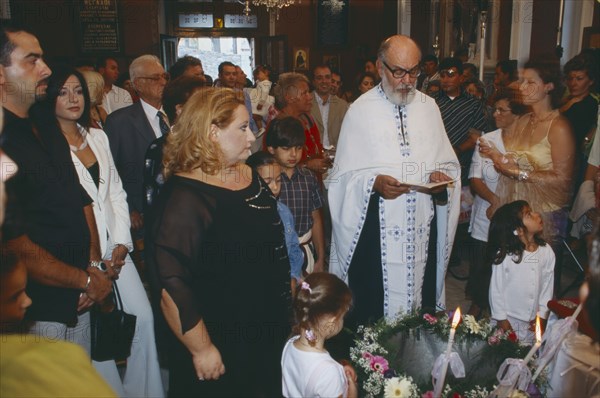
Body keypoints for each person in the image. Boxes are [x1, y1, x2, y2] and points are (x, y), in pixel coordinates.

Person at [146, 87, 290, 397]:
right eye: (242, 127)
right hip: (224, 333)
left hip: (265, 323)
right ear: (213, 132)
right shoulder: (185, 198)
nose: (252, 136)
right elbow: (171, 284)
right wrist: (202, 349)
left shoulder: (245, 172)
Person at [48, 65, 164, 397]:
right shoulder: (46, 144)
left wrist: (123, 243)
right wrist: (94, 260)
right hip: (80, 254)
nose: (73, 98)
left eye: (78, 91)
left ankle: (146, 390)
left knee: (142, 319)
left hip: (115, 247)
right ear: (49, 97)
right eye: (63, 92)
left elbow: (115, 191)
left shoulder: (97, 135)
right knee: (96, 331)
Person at [328, 35, 460, 325]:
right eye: (398, 71)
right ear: (379, 66)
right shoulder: (360, 111)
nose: (407, 80)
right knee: (374, 308)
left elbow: (448, 162)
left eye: (414, 71)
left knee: (419, 301)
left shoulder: (429, 108)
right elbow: (340, 179)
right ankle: (373, 364)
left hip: (421, 226)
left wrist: (442, 177)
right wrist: (373, 183)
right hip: (376, 227)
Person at [1, 24, 112, 348]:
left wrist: (92, 266)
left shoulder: (45, 122)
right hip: (35, 306)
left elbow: (78, 197)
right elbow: (14, 245)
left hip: (78, 294)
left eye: (43, 58)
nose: (46, 69)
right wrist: (86, 280)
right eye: (32, 60)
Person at [480, 57, 575, 294]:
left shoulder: (559, 127)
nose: (522, 87)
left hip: (543, 215)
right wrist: (496, 157)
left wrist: (518, 172)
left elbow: (562, 180)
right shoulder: (523, 120)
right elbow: (518, 161)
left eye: (530, 82)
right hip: (516, 208)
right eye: (522, 81)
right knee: (511, 277)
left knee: (536, 283)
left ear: (549, 86)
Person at [466, 89, 527, 317]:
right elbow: (474, 178)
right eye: (495, 109)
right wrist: (494, 200)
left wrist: (506, 205)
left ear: (518, 114)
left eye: (502, 110)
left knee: (508, 271)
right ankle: (477, 306)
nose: (496, 114)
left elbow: (525, 178)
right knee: (481, 268)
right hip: (487, 214)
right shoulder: (487, 139)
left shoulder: (528, 144)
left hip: (515, 218)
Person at [104, 54, 170, 235]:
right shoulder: (119, 122)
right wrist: (128, 209)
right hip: (143, 213)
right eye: (155, 78)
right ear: (137, 84)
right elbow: (110, 170)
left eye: (165, 76)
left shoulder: (178, 114)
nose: (163, 82)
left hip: (178, 209)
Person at [487, 200, 555, 344]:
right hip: (508, 320)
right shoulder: (506, 255)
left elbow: (547, 287)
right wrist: (501, 319)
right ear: (519, 229)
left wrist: (542, 316)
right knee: (503, 357)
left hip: (532, 323)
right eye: (529, 214)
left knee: (526, 359)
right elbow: (496, 289)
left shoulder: (546, 251)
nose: (537, 215)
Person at [281, 272, 358, 398]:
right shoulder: (329, 373)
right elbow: (323, 374)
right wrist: (352, 389)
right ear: (332, 322)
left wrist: (340, 367)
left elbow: (309, 369)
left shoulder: (290, 344)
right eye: (343, 316)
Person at [266, 116, 326, 274]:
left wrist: (320, 258)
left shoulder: (308, 177)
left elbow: (316, 218)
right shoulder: (265, 181)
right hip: (276, 253)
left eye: (298, 148)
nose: (293, 154)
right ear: (271, 149)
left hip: (306, 248)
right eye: (286, 149)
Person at [143, 75, 206, 215]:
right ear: (180, 109)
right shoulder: (160, 149)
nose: (208, 109)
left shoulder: (211, 144)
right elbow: (153, 202)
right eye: (201, 103)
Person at [246, 151, 304, 293]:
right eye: (267, 182)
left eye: (278, 180)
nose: (275, 187)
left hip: (285, 284)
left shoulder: (284, 212)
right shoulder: (245, 217)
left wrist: (293, 277)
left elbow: (294, 250)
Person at [270, 72, 331, 176]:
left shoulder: (308, 118)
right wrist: (307, 165)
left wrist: (325, 156)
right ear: (289, 98)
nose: (310, 97)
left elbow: (317, 147)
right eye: (305, 93)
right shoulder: (277, 126)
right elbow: (271, 166)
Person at [310, 64, 349, 149]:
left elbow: (348, 135)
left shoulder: (342, 106)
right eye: (319, 78)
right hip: (313, 157)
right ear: (313, 81)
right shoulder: (306, 103)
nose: (324, 81)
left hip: (336, 155)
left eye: (327, 77)